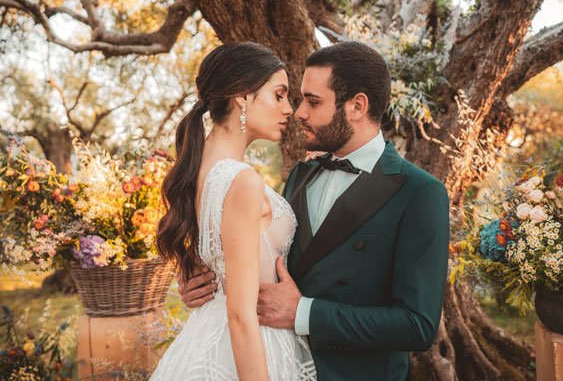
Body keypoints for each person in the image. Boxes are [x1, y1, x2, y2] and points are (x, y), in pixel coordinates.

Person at [180, 41, 450, 380]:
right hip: (278, 363)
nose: (299, 112)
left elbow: (417, 326)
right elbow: (262, 254)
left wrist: (303, 313)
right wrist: (207, 280)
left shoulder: (420, 192)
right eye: (296, 99)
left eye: (313, 101)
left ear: (357, 106)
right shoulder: (301, 174)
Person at [150, 42, 316, 381]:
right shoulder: (241, 180)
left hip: (209, 336)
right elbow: (241, 313)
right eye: (279, 95)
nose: (290, 109)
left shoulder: (198, 168)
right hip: (250, 345)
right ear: (243, 95)